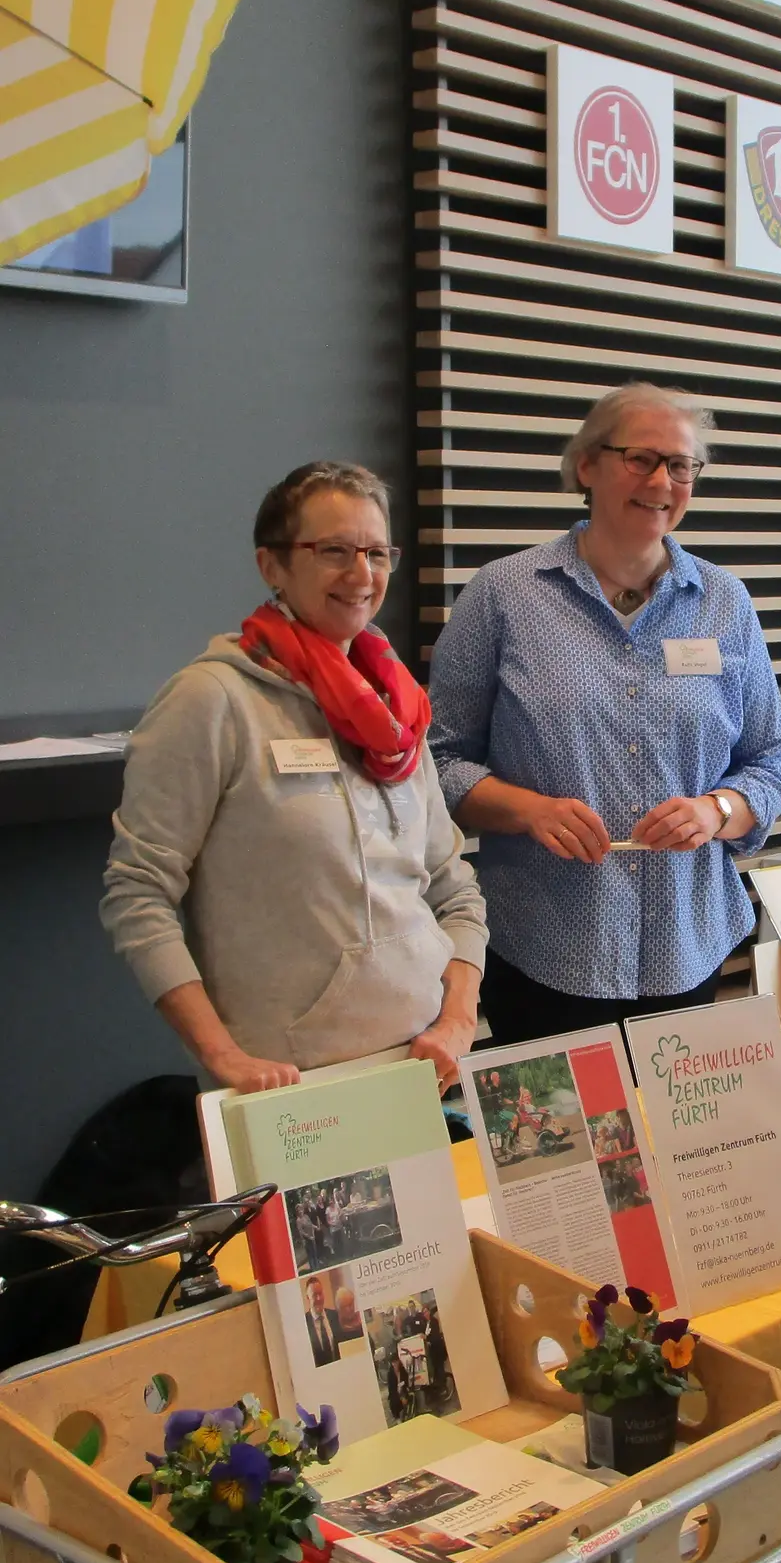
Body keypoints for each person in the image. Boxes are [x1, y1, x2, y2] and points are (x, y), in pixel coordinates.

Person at [101, 461, 487, 1092]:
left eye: (376, 551)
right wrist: (221, 1054)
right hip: (292, 1089)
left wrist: (458, 1019)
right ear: (272, 565)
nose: (362, 574)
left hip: (426, 1071)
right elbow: (137, 895)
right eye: (333, 550)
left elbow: (453, 886)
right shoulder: (212, 700)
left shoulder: (398, 709)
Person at [427, 384, 781, 1043]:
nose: (662, 480)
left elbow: (770, 758)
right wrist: (528, 810)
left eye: (680, 465)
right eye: (641, 458)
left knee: (678, 1145)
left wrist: (715, 811)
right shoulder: (503, 596)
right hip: (546, 944)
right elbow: (439, 760)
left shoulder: (725, 603)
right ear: (586, 466)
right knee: (562, 1145)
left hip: (690, 942)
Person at [304, 1277, 343, 1368]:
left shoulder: (335, 1316)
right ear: (308, 1298)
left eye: (320, 1293)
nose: (319, 1298)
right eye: (314, 1295)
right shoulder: (303, 1324)